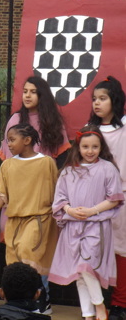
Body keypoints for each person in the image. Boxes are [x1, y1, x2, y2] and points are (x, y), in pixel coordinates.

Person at [49, 126, 123, 320]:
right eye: (86, 147)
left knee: (85, 266)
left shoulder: (107, 168)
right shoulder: (68, 172)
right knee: (79, 273)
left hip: (96, 227)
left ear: (101, 147)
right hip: (72, 227)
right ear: (78, 147)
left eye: (95, 147)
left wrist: (92, 210)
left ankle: (99, 307)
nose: (90, 151)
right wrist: (69, 210)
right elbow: (60, 199)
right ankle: (88, 314)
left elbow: (114, 198)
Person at [0, 123, 59, 314]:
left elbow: (57, 192)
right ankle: (20, 302)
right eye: (6, 140)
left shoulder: (46, 162)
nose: (8, 144)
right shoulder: (8, 165)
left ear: (27, 141)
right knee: (14, 263)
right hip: (14, 222)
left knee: (32, 259)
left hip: (38, 219)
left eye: (12, 140)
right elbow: (1, 192)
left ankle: (42, 299)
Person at [87, 75, 126, 320]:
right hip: (92, 201)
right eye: (94, 99)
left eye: (103, 98)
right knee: (93, 251)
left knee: (120, 250)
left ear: (115, 100)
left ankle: (120, 304)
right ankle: (93, 303)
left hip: (120, 199)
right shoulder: (89, 132)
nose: (97, 103)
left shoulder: (123, 128)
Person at [0, 76, 70, 164]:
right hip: (18, 172)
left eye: (33, 92)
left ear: (42, 95)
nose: (27, 95)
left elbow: (61, 155)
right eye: (25, 91)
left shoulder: (53, 120)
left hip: (45, 173)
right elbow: (8, 152)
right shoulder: (15, 119)